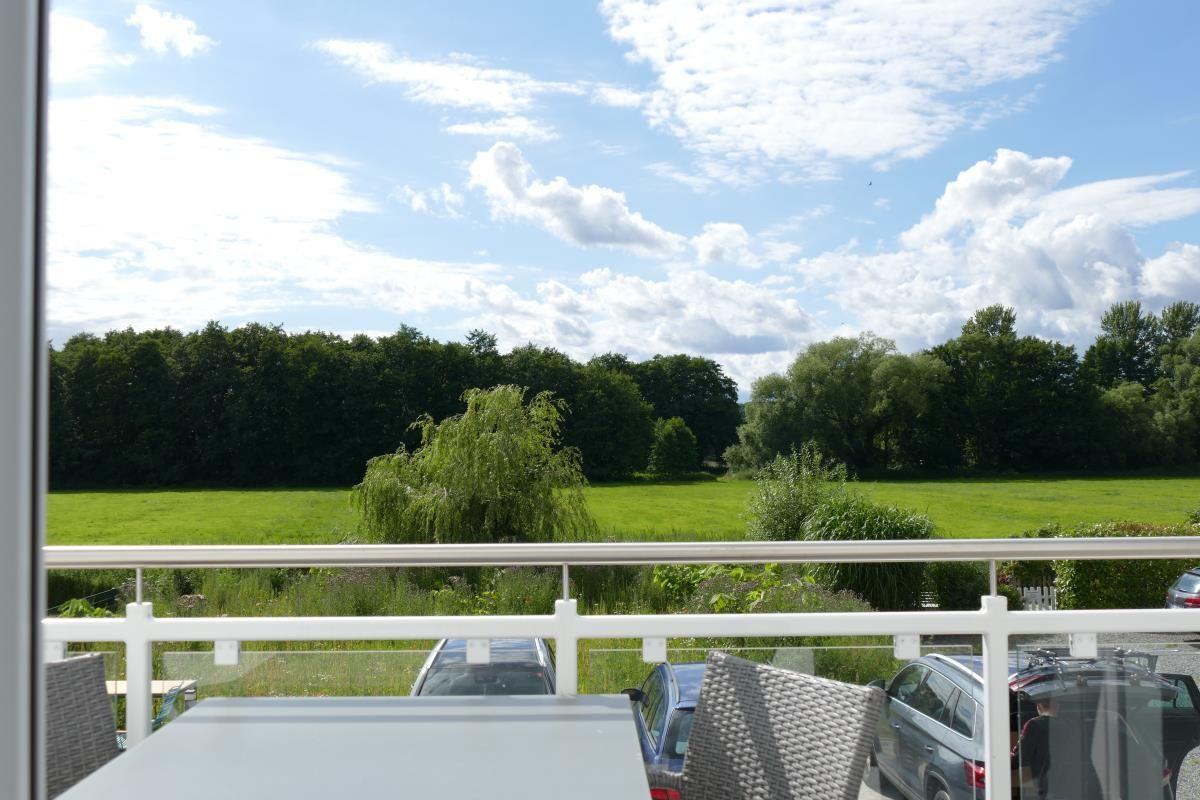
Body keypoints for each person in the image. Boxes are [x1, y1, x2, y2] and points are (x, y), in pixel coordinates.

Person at [1012, 696, 1058, 799]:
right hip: (1068, 785)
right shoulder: (1071, 725)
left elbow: (1021, 758)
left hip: (1045, 787)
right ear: (1057, 706)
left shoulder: (1034, 724)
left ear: (1039, 707)